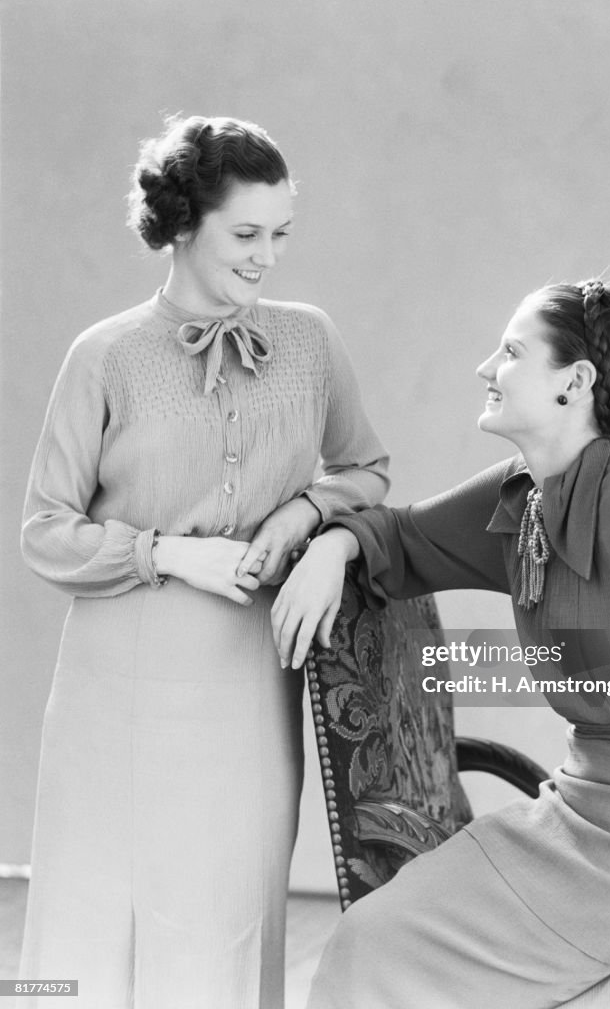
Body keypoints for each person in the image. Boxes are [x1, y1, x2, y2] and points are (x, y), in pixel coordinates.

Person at [270, 280, 610, 1009]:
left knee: (381, 943)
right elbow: (404, 535)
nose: (487, 367)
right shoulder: (522, 494)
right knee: (377, 937)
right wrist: (331, 546)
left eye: (512, 352)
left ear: (573, 384)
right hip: (579, 813)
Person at [18, 114, 389, 1009]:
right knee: (101, 908)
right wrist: (167, 553)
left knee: (228, 901)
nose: (267, 257)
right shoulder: (104, 355)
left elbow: (365, 471)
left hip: (247, 679)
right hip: (118, 683)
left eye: (281, 235)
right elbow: (44, 530)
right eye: (246, 234)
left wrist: (308, 511)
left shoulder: (307, 340)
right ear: (184, 223)